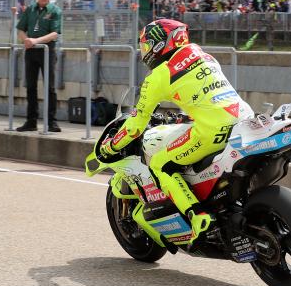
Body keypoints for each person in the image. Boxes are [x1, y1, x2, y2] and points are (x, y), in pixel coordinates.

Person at [99, 18, 254, 243]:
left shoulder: (159, 75)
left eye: (146, 45)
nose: (144, 52)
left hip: (213, 130)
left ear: (160, 45)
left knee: (160, 164)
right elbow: (208, 97)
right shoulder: (203, 55)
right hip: (244, 120)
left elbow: (135, 127)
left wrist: (111, 146)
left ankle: (198, 216)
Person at [14, 0, 62, 132]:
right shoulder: (30, 9)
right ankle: (31, 121)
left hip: (47, 51)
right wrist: (26, 40)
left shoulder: (55, 11)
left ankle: (52, 122)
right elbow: (20, 29)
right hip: (31, 51)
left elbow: (54, 34)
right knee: (30, 86)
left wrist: (36, 41)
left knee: (50, 87)